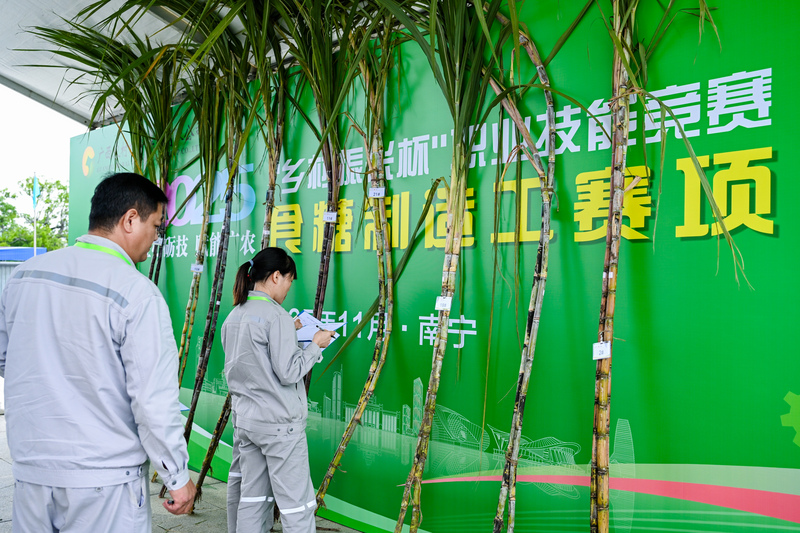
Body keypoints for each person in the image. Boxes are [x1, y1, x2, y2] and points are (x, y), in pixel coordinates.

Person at [0, 173, 196, 532]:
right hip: (105, 481)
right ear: (130, 219)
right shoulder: (136, 293)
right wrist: (177, 475)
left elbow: (6, 360)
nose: (156, 237)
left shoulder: (23, 278)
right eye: (156, 226)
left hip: (32, 472)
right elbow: (152, 400)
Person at [222, 247, 334, 533]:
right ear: (275, 276)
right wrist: (315, 345)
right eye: (289, 281)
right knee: (297, 507)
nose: (288, 288)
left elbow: (252, 360)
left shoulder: (234, 315)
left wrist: (289, 331)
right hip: (279, 427)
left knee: (253, 500)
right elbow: (289, 372)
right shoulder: (276, 316)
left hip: (247, 423)